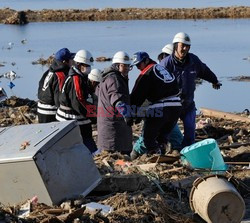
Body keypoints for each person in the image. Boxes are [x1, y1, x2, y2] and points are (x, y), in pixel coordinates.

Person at [160, 32, 222, 147]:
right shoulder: (166, 64)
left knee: (190, 133)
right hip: (171, 106)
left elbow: (204, 71)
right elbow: (157, 84)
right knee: (165, 133)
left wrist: (214, 80)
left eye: (187, 46)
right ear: (175, 45)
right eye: (182, 45)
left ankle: (187, 154)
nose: (185, 49)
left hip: (188, 104)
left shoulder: (193, 61)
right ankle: (162, 151)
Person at [129, 51, 182, 159]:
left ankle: (155, 155)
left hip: (161, 108)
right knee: (162, 136)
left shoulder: (146, 73)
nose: (138, 67)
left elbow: (137, 96)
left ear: (146, 60)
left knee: (148, 138)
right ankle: (162, 153)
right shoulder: (162, 69)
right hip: (176, 107)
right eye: (136, 66)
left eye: (139, 64)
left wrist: (131, 113)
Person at [56, 49, 98, 153]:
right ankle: (93, 156)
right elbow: (79, 101)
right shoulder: (76, 79)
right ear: (79, 65)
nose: (89, 68)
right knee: (86, 142)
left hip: (74, 116)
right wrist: (92, 115)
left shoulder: (80, 77)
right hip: (70, 118)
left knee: (81, 142)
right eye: (87, 65)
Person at [97, 51, 133, 154]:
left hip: (107, 125)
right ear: (117, 65)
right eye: (124, 65)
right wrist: (127, 115)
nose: (127, 68)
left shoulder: (107, 77)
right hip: (113, 128)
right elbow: (117, 100)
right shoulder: (115, 80)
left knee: (110, 155)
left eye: (128, 66)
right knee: (118, 157)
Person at [37, 48, 75, 123]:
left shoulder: (49, 71)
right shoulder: (60, 75)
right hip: (50, 111)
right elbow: (59, 97)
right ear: (65, 62)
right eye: (71, 59)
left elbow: (40, 86)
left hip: (40, 108)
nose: (72, 61)